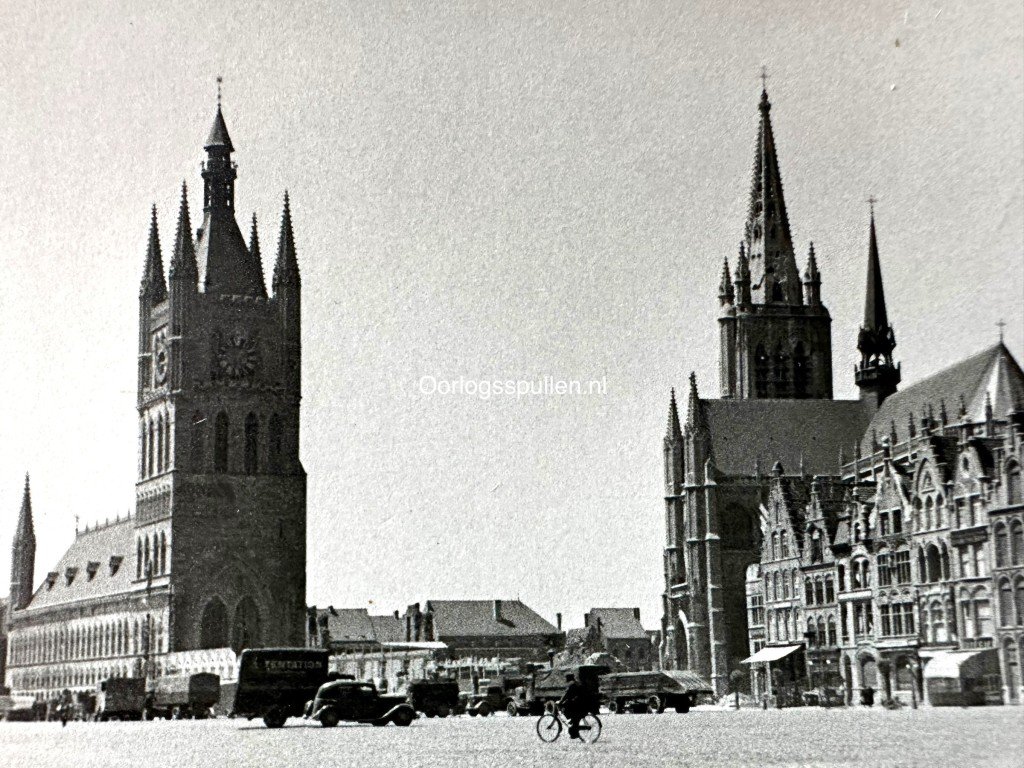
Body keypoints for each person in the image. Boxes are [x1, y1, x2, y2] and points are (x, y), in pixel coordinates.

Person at [558, 672, 587, 741]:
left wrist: (560, 702)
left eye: (566, 678)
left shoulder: (571, 684)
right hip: (582, 702)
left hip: (577, 703)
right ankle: (572, 723)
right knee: (573, 716)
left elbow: (566, 694)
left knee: (565, 709)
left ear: (568, 678)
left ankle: (572, 724)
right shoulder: (576, 683)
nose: (565, 679)